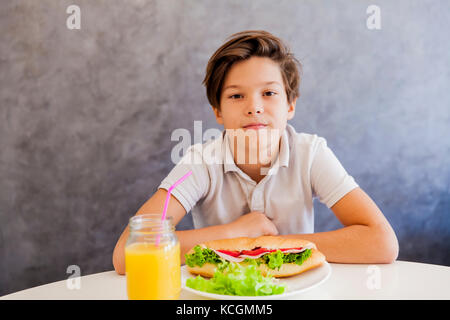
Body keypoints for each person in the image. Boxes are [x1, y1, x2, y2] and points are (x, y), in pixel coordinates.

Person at [112, 30, 398, 275]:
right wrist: (235, 233)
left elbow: (383, 242)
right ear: (218, 112)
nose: (254, 107)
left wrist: (268, 245)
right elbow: (127, 253)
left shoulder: (311, 154)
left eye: (269, 93)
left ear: (290, 105)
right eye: (236, 96)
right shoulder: (200, 163)